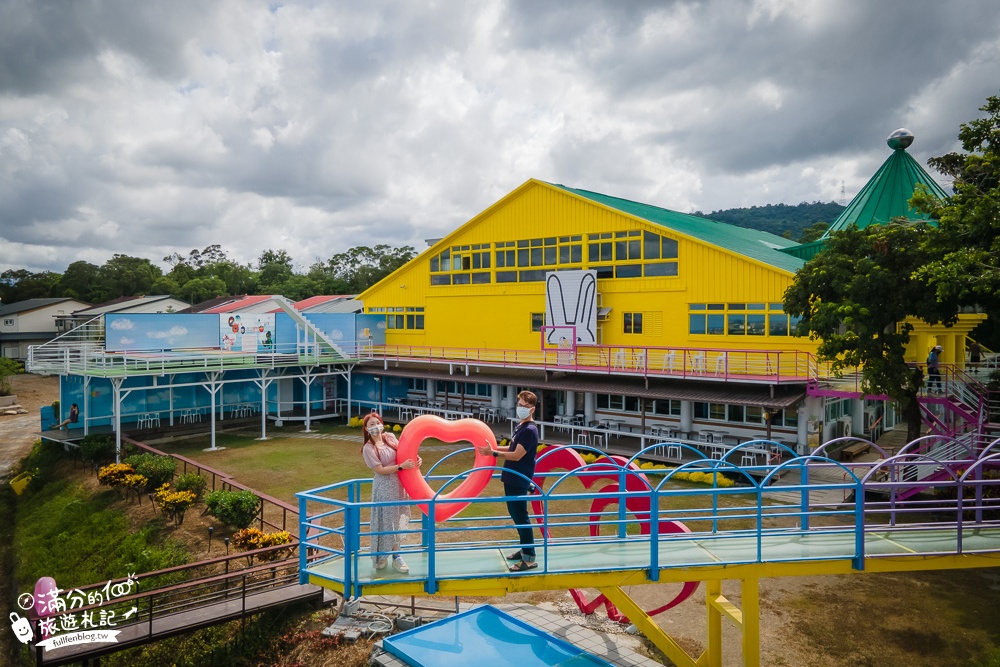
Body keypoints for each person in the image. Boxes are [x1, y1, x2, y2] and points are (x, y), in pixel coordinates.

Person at [477, 390, 540, 572]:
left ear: (532, 409)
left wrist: (494, 453)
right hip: (512, 476)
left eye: (525, 406)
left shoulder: (529, 430)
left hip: (519, 477)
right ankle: (525, 549)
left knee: (521, 517)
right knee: (516, 515)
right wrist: (493, 448)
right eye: (519, 405)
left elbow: (517, 455)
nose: (521, 408)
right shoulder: (521, 426)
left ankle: (529, 558)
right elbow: (512, 447)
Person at [361, 412, 419, 573]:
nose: (375, 426)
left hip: (399, 484)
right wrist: (401, 466)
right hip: (384, 486)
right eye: (371, 424)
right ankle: (394, 556)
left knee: (398, 517)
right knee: (387, 520)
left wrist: (415, 459)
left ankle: (391, 554)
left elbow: (403, 453)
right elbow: (380, 470)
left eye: (376, 422)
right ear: (366, 429)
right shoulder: (368, 448)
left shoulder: (390, 437)